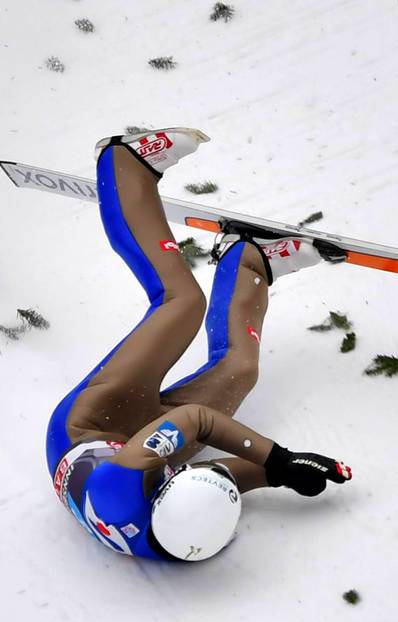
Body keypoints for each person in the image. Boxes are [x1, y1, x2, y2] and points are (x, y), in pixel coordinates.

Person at [44, 128, 352, 562]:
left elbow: (196, 420)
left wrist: (278, 459)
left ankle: (124, 163)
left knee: (181, 303)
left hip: (92, 421)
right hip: (133, 453)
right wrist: (281, 475)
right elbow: (222, 478)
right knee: (239, 372)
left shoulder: (121, 493)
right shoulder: (180, 538)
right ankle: (249, 259)